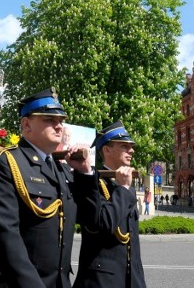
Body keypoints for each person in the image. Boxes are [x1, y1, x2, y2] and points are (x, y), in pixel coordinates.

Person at [0, 87, 94, 288]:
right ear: (26, 124)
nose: (59, 126)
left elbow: (92, 220)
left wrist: (85, 174)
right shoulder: (7, 163)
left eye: (60, 121)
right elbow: (5, 237)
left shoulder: (62, 170)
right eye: (49, 120)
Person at [73, 120, 146, 288]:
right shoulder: (93, 184)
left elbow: (132, 244)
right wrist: (123, 188)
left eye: (131, 146)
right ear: (106, 150)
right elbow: (104, 225)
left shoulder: (127, 187)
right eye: (124, 146)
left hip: (130, 278)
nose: (131, 150)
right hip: (102, 281)